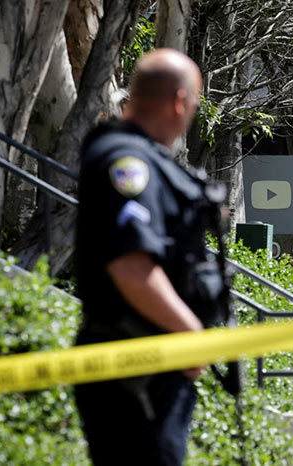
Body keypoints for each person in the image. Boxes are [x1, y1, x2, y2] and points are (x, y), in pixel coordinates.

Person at [75, 49, 228, 465]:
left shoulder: (145, 158)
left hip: (150, 364)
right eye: (194, 105)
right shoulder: (126, 162)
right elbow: (131, 266)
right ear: (179, 101)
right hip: (134, 366)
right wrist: (190, 333)